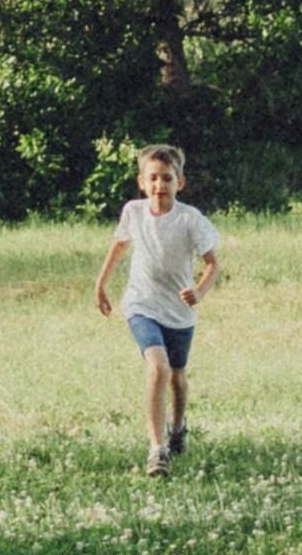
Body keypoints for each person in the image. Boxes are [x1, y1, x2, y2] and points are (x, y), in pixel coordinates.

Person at [92, 141, 221, 476]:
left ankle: (177, 430)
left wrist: (199, 291)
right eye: (152, 178)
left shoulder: (190, 219)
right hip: (141, 303)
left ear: (180, 182)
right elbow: (120, 244)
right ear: (141, 182)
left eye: (166, 178)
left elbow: (212, 265)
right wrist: (101, 284)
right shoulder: (133, 212)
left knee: (177, 376)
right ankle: (156, 449)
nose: (159, 186)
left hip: (179, 310)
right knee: (158, 367)